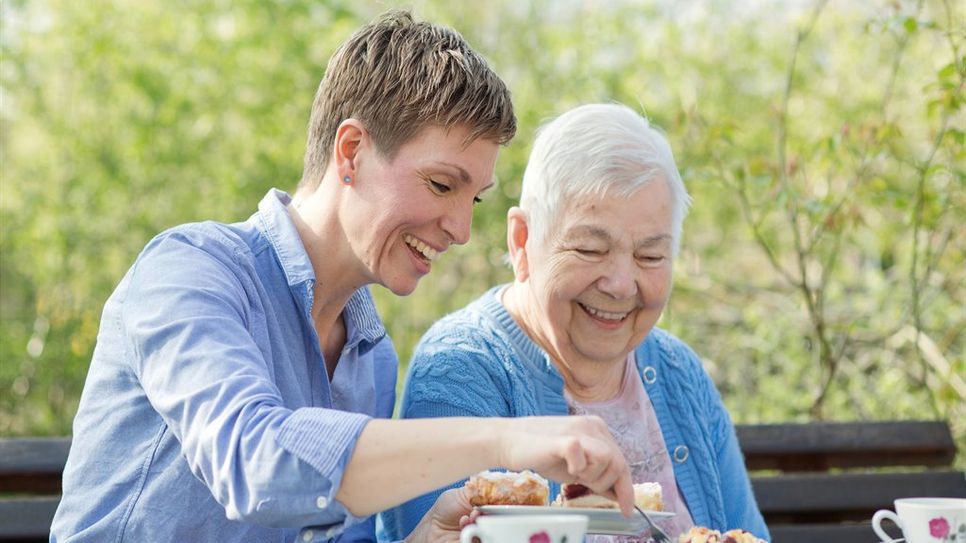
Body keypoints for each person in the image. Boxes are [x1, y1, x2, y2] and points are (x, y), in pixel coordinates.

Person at [50, 13, 637, 543]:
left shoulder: (370, 356)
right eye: (441, 185)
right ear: (351, 151)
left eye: (474, 200)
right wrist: (506, 440)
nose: (460, 229)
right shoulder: (190, 271)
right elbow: (254, 462)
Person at [381, 103, 770, 542]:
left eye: (650, 256)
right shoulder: (461, 370)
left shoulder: (679, 373)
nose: (622, 284)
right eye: (589, 249)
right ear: (522, 241)